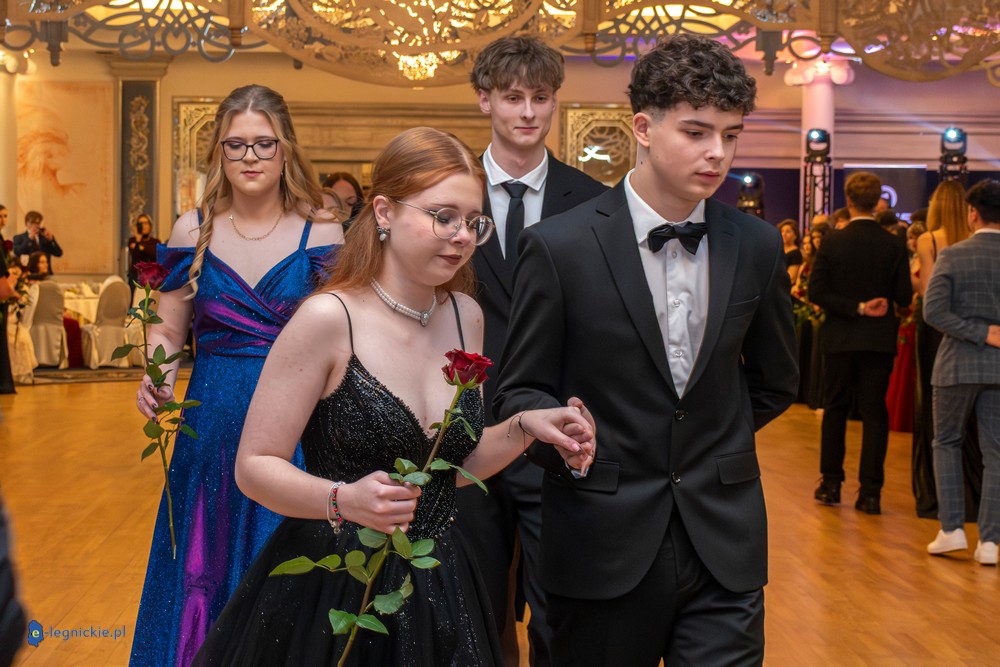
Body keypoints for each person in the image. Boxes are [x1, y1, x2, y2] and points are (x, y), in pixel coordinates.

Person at [194, 126, 594, 666]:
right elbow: (254, 467)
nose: (461, 236)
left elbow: (450, 466)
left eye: (473, 222)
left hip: (440, 579)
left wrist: (525, 427)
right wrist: (343, 500)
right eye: (443, 217)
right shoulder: (328, 319)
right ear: (383, 212)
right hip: (338, 587)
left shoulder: (465, 316)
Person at [493, 34, 799, 665]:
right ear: (643, 128)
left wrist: (710, 440)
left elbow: (775, 380)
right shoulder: (559, 246)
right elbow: (520, 389)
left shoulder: (757, 245)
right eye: (696, 132)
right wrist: (561, 436)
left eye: (731, 135)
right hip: (600, 538)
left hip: (723, 541)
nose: (717, 153)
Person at [130, 84, 343, 667]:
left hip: (299, 425)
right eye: (236, 145)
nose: (250, 156)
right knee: (203, 565)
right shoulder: (193, 228)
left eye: (263, 144)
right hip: (212, 425)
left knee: (284, 562)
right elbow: (167, 326)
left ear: (285, 148)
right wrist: (157, 374)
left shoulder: (322, 230)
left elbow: (345, 334)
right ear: (219, 153)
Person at [457, 34, 608, 665]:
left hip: (555, 429)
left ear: (554, 103)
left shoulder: (595, 200)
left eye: (540, 98)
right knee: (475, 607)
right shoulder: (450, 192)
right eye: (513, 97)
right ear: (485, 100)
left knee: (559, 614)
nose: (527, 111)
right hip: (464, 428)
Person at [809, 171, 913, 514]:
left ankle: (830, 484)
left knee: (835, 408)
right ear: (878, 202)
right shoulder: (893, 243)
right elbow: (903, 296)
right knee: (874, 413)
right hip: (878, 339)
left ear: (849, 200)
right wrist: (874, 305)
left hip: (839, 337)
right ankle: (870, 493)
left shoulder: (832, 241)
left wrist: (854, 307)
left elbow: (816, 292)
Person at [924, 178, 1000, 565]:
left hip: (956, 363)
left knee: (947, 442)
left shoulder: (953, 255)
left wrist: (978, 332)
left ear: (973, 214)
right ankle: (991, 541)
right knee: (996, 452)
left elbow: (933, 312)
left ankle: (952, 529)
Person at [913, 181, 981, 519]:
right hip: (970, 328)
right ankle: (976, 495)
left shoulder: (929, 240)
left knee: (935, 410)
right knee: (975, 413)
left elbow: (928, 292)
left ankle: (937, 496)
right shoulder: (975, 240)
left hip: (935, 330)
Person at [126, 213, 161, 289]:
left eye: (145, 223)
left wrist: (142, 248)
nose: (143, 226)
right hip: (135, 276)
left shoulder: (155, 242)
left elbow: (155, 255)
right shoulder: (132, 240)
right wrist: (138, 240)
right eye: (140, 224)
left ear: (150, 226)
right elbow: (135, 259)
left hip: (151, 277)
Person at [779, 218, 803, 285]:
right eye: (782, 231)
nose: (784, 234)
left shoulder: (796, 253)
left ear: (795, 235)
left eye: (788, 232)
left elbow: (791, 278)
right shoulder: (778, 249)